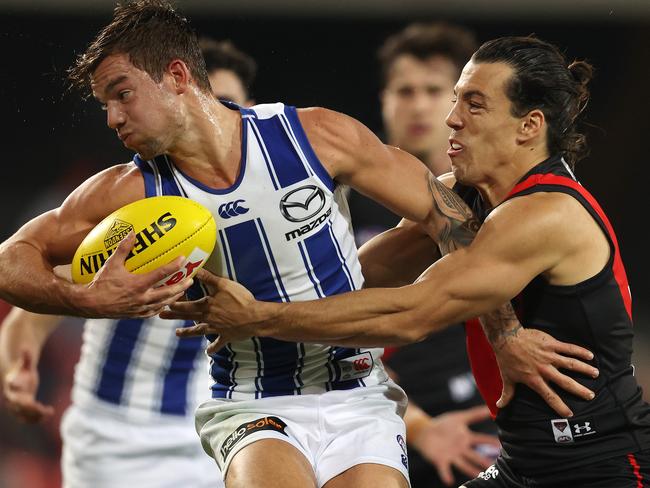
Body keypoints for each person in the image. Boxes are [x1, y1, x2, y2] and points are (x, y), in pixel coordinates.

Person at [0, 1, 595, 485]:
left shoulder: (314, 137)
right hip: (251, 400)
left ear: (178, 77)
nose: (112, 118)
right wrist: (82, 300)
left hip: (357, 391)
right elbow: (12, 256)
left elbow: (452, 223)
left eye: (121, 93)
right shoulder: (130, 191)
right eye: (105, 104)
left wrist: (506, 333)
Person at [166, 35, 650, 487]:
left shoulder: (545, 213)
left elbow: (410, 315)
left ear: (530, 126)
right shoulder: (465, 196)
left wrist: (258, 317)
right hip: (524, 464)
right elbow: (361, 278)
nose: (452, 118)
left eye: (474, 104)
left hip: (598, 464)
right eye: (457, 99)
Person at [0, 35, 258, 488]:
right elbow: (33, 303)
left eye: (225, 105)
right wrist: (18, 360)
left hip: (220, 427)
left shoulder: (272, 199)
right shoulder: (134, 203)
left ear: (250, 108)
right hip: (111, 436)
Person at [348, 23, 499, 487]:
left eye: (435, 91)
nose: (418, 105)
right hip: (380, 416)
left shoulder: (497, 197)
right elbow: (328, 323)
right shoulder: (336, 202)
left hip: (482, 418)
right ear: (384, 98)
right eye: (404, 90)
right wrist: (420, 427)